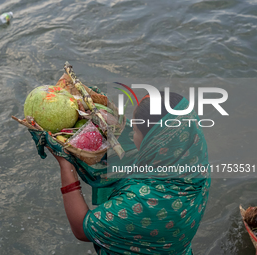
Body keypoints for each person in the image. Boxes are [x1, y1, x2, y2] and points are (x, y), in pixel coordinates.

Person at [51, 92, 211, 255]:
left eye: (134, 130)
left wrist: (66, 166)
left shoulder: (140, 203)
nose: (131, 135)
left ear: (153, 140)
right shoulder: (194, 161)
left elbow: (81, 228)